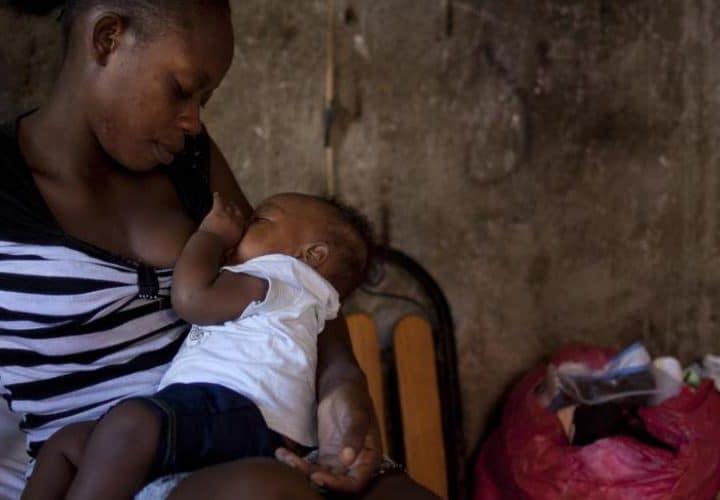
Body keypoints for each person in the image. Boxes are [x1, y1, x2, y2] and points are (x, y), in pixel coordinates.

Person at [0, 0, 438, 498]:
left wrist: (343, 385)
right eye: (181, 90)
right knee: (264, 489)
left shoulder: (187, 159)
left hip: (240, 429)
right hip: (110, 470)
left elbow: (292, 279)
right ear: (107, 39)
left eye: (204, 100)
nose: (192, 120)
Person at [22, 191, 375, 499]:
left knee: (131, 423)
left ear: (311, 256)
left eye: (260, 219)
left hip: (246, 415)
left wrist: (209, 235)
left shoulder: (282, 279)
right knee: (68, 444)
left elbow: (192, 298)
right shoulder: (293, 298)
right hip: (212, 419)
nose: (243, 225)